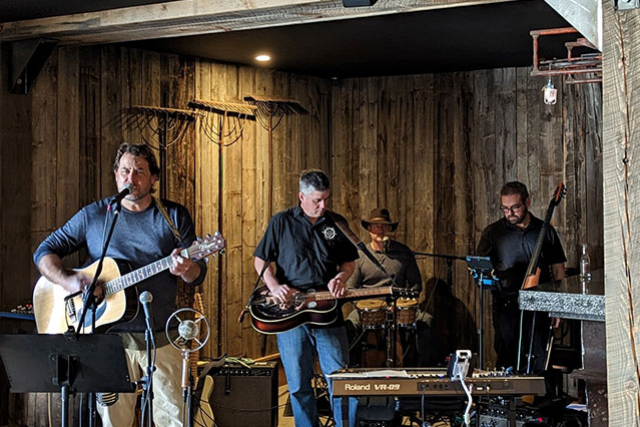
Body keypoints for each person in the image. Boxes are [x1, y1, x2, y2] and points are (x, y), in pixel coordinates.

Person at [33, 142, 207, 427]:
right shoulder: (95, 215)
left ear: (153, 178)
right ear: (116, 175)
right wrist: (69, 281)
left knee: (174, 418)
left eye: (140, 171)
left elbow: (198, 274)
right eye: (125, 170)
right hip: (109, 342)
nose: (131, 178)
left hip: (162, 338)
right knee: (114, 422)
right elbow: (44, 251)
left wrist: (187, 268)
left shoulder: (173, 216)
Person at [253, 169, 358, 427]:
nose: (323, 206)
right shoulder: (281, 222)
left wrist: (341, 278)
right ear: (302, 196)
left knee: (341, 380)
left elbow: (349, 262)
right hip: (290, 313)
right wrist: (274, 286)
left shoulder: (336, 223)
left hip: (328, 312)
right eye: (317, 201)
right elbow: (260, 260)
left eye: (326, 199)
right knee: (298, 384)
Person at [477, 181, 566, 372]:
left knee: (539, 358)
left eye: (515, 207)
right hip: (506, 306)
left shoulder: (545, 231)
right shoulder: (493, 233)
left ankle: (540, 391)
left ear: (527, 202)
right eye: (505, 208)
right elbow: (480, 268)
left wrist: (558, 307)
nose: (510, 213)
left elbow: (558, 270)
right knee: (507, 358)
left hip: (540, 306)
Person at [346, 208, 433, 366]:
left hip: (399, 307)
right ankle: (352, 368)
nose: (380, 230)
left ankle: (422, 368)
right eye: (376, 226)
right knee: (350, 326)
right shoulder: (359, 255)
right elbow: (351, 288)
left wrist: (401, 303)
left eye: (384, 226)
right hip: (367, 309)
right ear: (369, 229)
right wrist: (364, 307)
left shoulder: (403, 252)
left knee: (426, 321)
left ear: (389, 229)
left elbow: (415, 285)